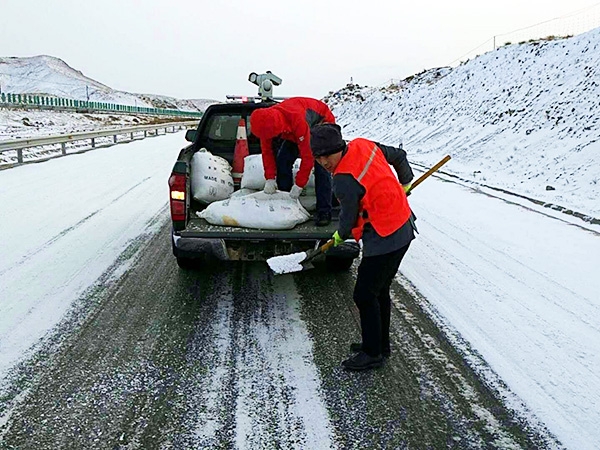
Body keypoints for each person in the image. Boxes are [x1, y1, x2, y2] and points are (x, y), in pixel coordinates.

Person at [310, 123, 415, 371]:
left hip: (386, 235)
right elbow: (399, 156)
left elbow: (347, 219)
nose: (324, 162)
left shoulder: (343, 179)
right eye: (318, 157)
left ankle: (372, 353)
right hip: (403, 225)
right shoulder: (364, 145)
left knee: (364, 294)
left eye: (327, 155)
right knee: (379, 290)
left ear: (339, 147)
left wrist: (338, 236)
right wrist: (405, 183)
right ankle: (379, 344)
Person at [249, 97, 335, 226]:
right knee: (283, 161)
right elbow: (267, 152)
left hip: (322, 123)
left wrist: (299, 185)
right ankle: (284, 202)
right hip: (293, 131)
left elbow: (308, 156)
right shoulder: (264, 122)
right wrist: (270, 178)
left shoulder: (296, 119)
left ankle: (324, 211)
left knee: (321, 166)